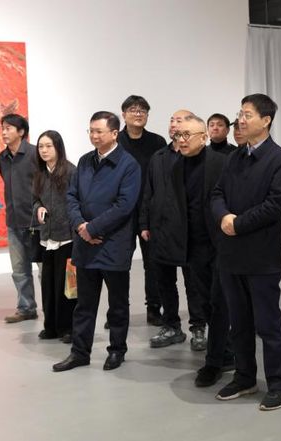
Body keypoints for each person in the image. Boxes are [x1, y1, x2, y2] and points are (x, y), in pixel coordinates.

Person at [211, 93, 281, 411]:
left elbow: (275, 205)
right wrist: (223, 217)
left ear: (266, 120)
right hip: (231, 255)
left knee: (268, 324)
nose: (241, 120)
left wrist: (238, 224)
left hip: (262, 257)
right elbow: (217, 193)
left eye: (247, 114)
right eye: (240, 113)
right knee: (239, 323)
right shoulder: (235, 157)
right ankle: (245, 377)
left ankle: (280, 384)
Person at [53, 111, 141, 372]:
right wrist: (81, 226)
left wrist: (92, 228)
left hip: (114, 244)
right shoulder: (84, 161)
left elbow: (124, 206)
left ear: (114, 133)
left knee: (117, 304)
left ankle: (117, 350)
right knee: (84, 304)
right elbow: (71, 197)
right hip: (85, 244)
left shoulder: (128, 165)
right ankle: (80, 352)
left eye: (98, 131)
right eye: (91, 131)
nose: (93, 136)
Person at [170, 115, 233, 387]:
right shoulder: (176, 167)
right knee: (205, 302)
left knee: (219, 302)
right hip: (193, 246)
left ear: (204, 137)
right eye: (178, 135)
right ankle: (226, 351)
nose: (182, 140)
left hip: (220, 244)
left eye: (187, 135)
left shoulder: (222, 163)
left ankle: (214, 362)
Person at [140, 109, 209, 352]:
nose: (175, 125)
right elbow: (148, 192)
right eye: (172, 120)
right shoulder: (158, 157)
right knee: (164, 282)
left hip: (189, 233)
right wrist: (144, 223)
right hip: (161, 230)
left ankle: (198, 327)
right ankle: (171, 326)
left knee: (193, 283)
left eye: (180, 121)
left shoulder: (197, 159)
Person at [117, 95, 167, 326]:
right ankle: (119, 311)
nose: (138, 114)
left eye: (143, 110)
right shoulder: (115, 141)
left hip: (150, 211)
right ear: (123, 114)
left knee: (153, 264)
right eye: (133, 110)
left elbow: (163, 177)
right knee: (119, 264)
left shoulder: (157, 142)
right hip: (123, 212)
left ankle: (154, 309)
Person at [32, 130, 77, 343]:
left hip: (67, 238)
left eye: (48, 146)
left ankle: (67, 328)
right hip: (46, 238)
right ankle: (50, 326)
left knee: (66, 286)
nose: (44, 150)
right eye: (41, 146)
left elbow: (78, 202)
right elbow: (35, 200)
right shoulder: (39, 174)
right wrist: (38, 208)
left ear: (58, 147)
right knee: (48, 285)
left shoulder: (71, 171)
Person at [0, 113, 39, 323]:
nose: (4, 132)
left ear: (21, 132)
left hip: (37, 223)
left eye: (8, 128)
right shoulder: (2, 158)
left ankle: (55, 311)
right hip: (13, 222)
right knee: (19, 270)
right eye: (3, 128)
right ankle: (26, 308)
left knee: (46, 270)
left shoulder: (35, 154)